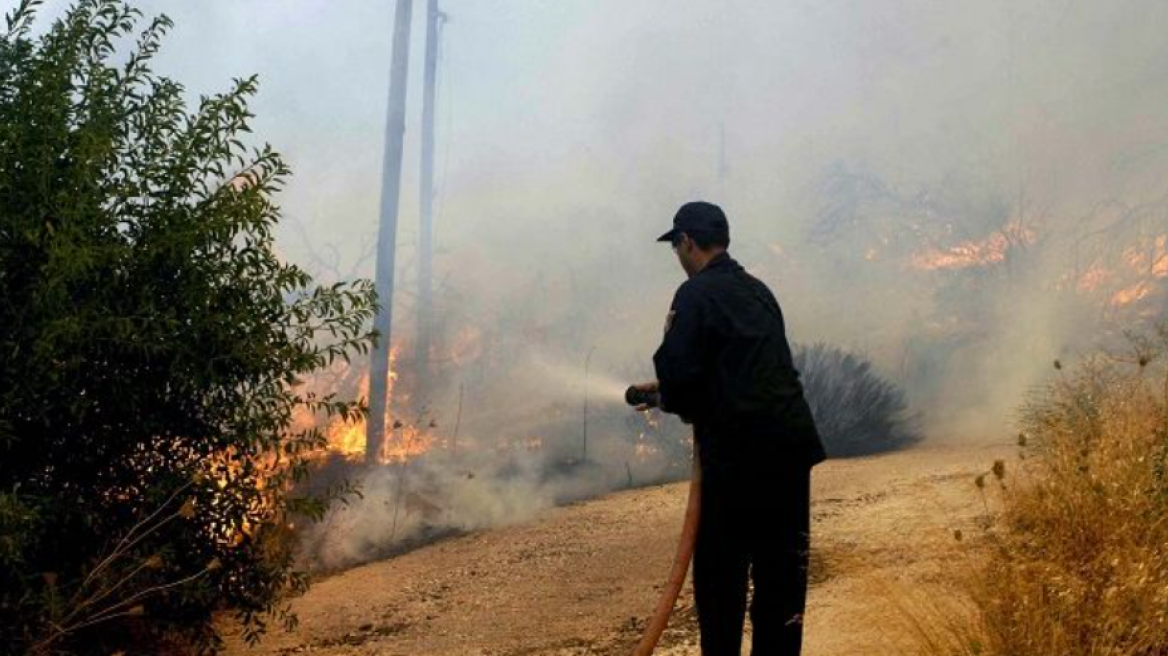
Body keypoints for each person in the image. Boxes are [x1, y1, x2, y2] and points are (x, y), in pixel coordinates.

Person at [632, 201, 827, 656]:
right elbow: (745, 369)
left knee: (722, 582)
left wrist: (670, 395)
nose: (677, 257)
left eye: (676, 246)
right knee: (781, 584)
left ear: (687, 242)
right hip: (789, 455)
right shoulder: (758, 291)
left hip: (739, 461)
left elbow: (681, 373)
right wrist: (667, 391)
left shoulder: (695, 294)